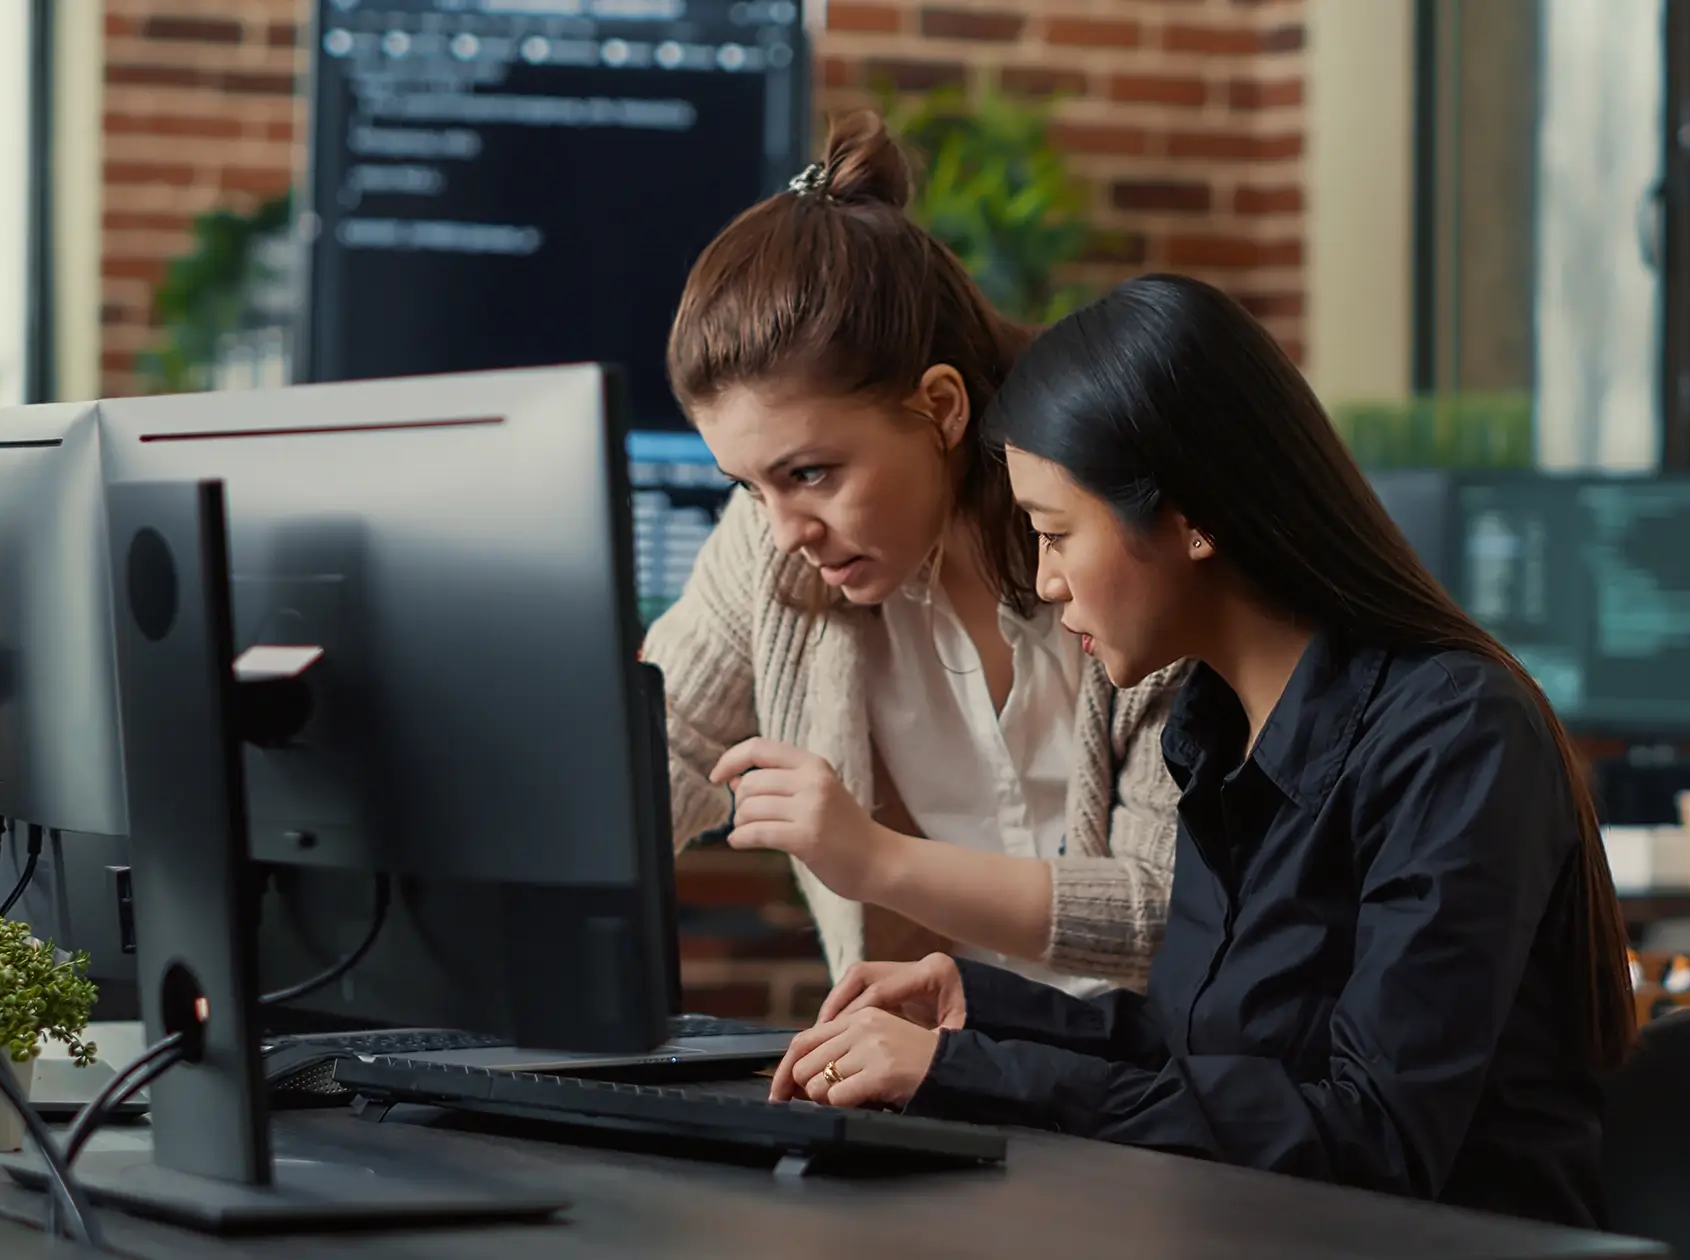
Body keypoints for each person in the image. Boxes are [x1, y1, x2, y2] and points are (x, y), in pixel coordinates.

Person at [764, 274, 1637, 1229]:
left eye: (1055, 533)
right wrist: (983, 1010)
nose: (1046, 581)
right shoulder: (1215, 728)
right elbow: (1208, 1053)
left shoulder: (1455, 735)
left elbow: (1375, 1139)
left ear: (1193, 519)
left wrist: (967, 1075)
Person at [642, 111, 1187, 996]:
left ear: (940, 408)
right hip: (943, 1084)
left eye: (811, 473)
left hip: (1155, 1095)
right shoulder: (771, 551)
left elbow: (1166, 910)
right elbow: (656, 756)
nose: (785, 529)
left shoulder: (1124, 535)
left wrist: (874, 860)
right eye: (749, 485)